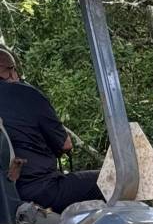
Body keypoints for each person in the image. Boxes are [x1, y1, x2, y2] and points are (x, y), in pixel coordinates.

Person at [0, 48, 103, 213]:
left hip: (5, 198)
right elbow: (65, 145)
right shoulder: (26, 94)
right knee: (110, 180)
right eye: (14, 69)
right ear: (10, 71)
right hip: (39, 189)